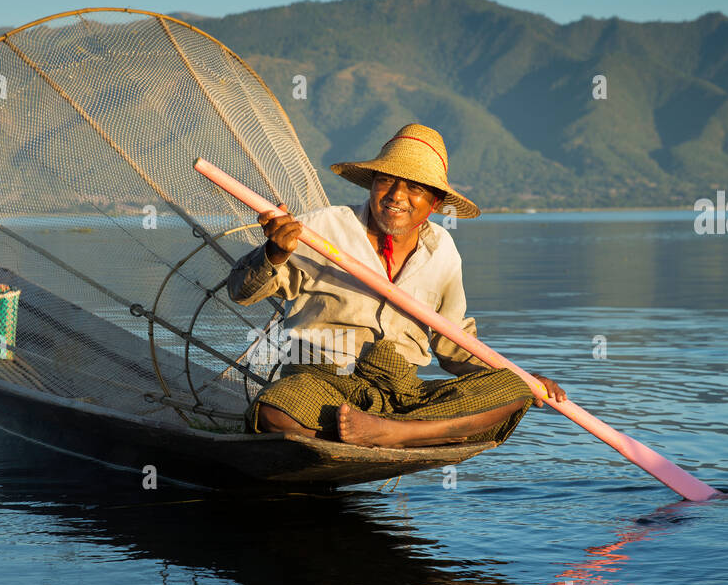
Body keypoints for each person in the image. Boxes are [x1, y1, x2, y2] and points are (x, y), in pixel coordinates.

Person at [227, 123, 565, 449]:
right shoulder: (321, 229)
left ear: (434, 202)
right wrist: (274, 252)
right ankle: (392, 435)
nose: (396, 196)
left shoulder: (442, 251)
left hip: (399, 396)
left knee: (510, 391)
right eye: (386, 181)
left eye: (414, 187)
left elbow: (454, 345)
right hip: (322, 380)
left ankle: (395, 434)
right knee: (273, 411)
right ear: (372, 185)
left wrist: (525, 379)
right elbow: (241, 292)